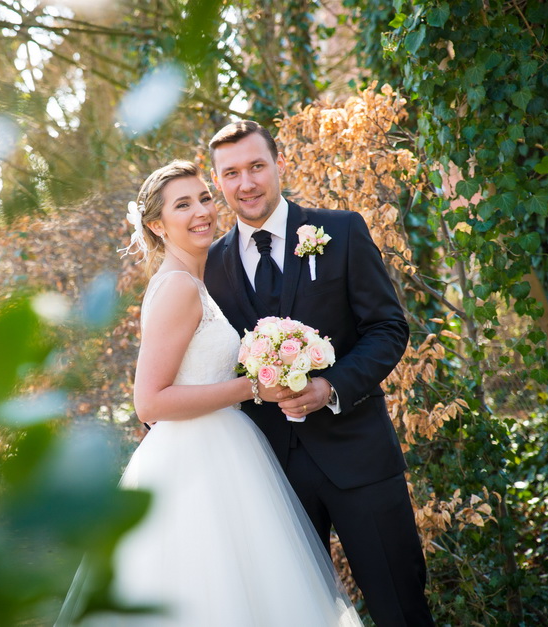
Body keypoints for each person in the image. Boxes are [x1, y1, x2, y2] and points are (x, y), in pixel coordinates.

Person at [57, 160, 361, 626]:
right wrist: (253, 386)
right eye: (183, 205)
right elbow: (149, 403)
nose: (201, 212)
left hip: (225, 446)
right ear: (157, 225)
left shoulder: (197, 281)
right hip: (196, 459)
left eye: (203, 198)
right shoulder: (179, 288)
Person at [203, 120, 434, 626]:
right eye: (232, 173)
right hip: (266, 474)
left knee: (401, 608)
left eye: (257, 166)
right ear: (217, 181)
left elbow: (388, 327)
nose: (247, 183)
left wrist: (332, 386)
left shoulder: (341, 230)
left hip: (359, 459)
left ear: (279, 163)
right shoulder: (209, 265)